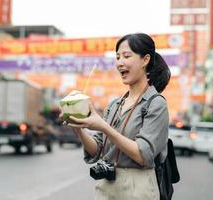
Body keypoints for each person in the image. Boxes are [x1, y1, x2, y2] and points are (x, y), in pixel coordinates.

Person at [62, 33, 171, 200]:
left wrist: (103, 126)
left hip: (138, 187)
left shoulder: (156, 103)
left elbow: (143, 155)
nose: (119, 62)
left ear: (145, 60)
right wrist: (79, 130)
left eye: (126, 56)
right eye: (118, 57)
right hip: (107, 186)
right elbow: (97, 150)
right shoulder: (114, 105)